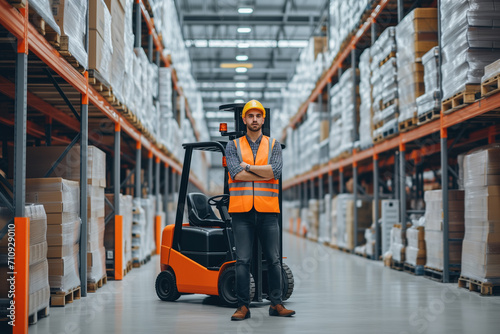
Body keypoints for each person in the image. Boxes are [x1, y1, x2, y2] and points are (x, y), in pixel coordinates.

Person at [225, 100, 296, 321]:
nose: (254, 119)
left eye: (258, 116)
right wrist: (257, 171)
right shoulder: (232, 146)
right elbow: (236, 174)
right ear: (244, 119)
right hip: (242, 212)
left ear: (263, 119)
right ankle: (242, 306)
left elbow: (275, 171)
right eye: (250, 116)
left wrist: (248, 167)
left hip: (267, 211)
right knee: (243, 260)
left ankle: (276, 303)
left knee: (274, 259)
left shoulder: (274, 145)